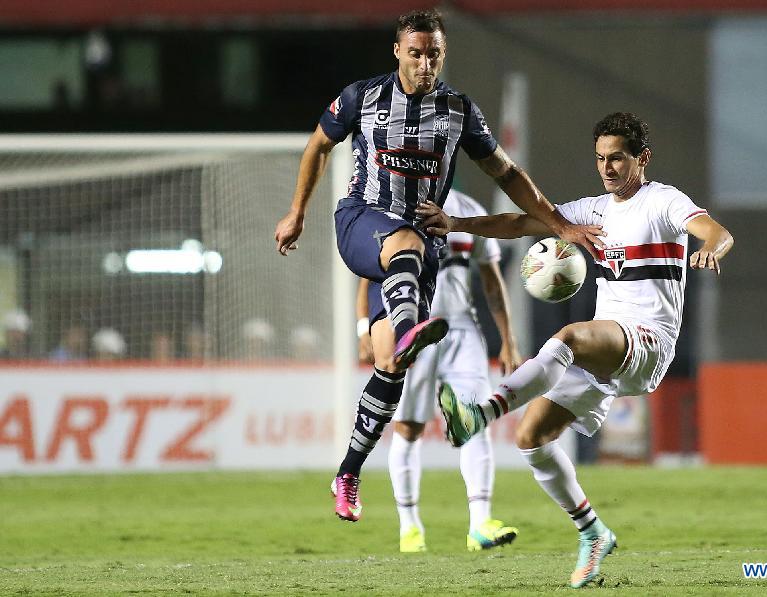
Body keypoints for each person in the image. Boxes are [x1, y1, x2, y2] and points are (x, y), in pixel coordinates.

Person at [273, 8, 602, 523]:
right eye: (416, 53)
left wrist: (558, 222)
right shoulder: (362, 97)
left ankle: (348, 471)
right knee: (403, 243)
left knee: (391, 365)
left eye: (434, 55)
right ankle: (409, 327)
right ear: (398, 52)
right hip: (361, 221)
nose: (425, 63)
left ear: (443, 55)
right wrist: (297, 212)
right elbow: (318, 145)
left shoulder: (459, 111)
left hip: (421, 248)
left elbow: (508, 173)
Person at [421, 112, 734, 588]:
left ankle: (479, 415)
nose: (607, 168)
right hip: (606, 349)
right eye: (600, 159)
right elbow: (523, 222)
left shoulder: (663, 201)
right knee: (531, 438)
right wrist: (457, 223)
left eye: (617, 158)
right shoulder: (595, 210)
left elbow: (715, 231)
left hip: (648, 340)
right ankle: (593, 532)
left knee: (567, 337)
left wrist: (712, 247)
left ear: (641, 158)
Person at [359, 188, 523, 553]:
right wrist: (365, 326)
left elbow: (491, 279)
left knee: (474, 418)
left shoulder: (469, 210)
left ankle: (481, 523)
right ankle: (410, 528)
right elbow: (369, 274)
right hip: (413, 327)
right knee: (408, 427)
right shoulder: (395, 204)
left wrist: (508, 339)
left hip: (462, 328)